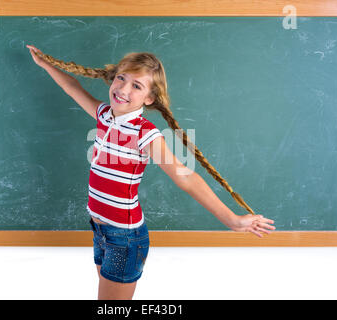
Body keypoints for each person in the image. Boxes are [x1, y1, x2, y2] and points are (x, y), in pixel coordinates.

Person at [26, 45, 275, 299]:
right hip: (100, 231)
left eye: (137, 86)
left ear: (149, 98)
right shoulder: (104, 115)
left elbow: (184, 176)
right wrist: (45, 64)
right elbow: (72, 88)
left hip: (124, 237)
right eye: (121, 78)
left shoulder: (145, 133)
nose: (123, 89)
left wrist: (231, 219)